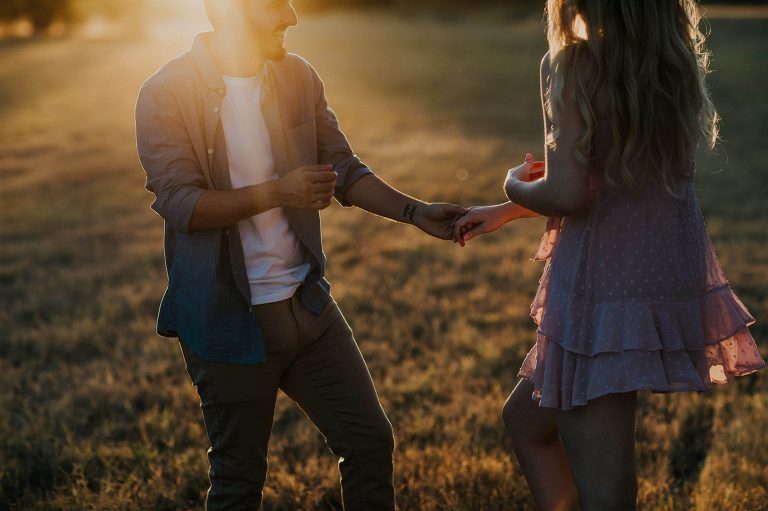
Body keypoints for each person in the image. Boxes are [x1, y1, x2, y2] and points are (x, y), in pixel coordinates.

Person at [135, 1, 465, 509]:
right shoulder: (165, 93)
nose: (291, 16)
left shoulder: (297, 78)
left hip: (309, 310)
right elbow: (181, 204)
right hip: (228, 323)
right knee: (238, 482)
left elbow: (343, 169)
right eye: (276, 4)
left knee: (369, 442)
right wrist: (277, 193)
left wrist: (415, 212)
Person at [453, 0, 765, 509]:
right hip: (661, 273)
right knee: (526, 421)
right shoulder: (672, 61)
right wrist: (506, 213)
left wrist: (512, 186)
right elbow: (620, 188)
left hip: (602, 288)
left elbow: (569, 196)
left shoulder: (572, 63)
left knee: (607, 493)